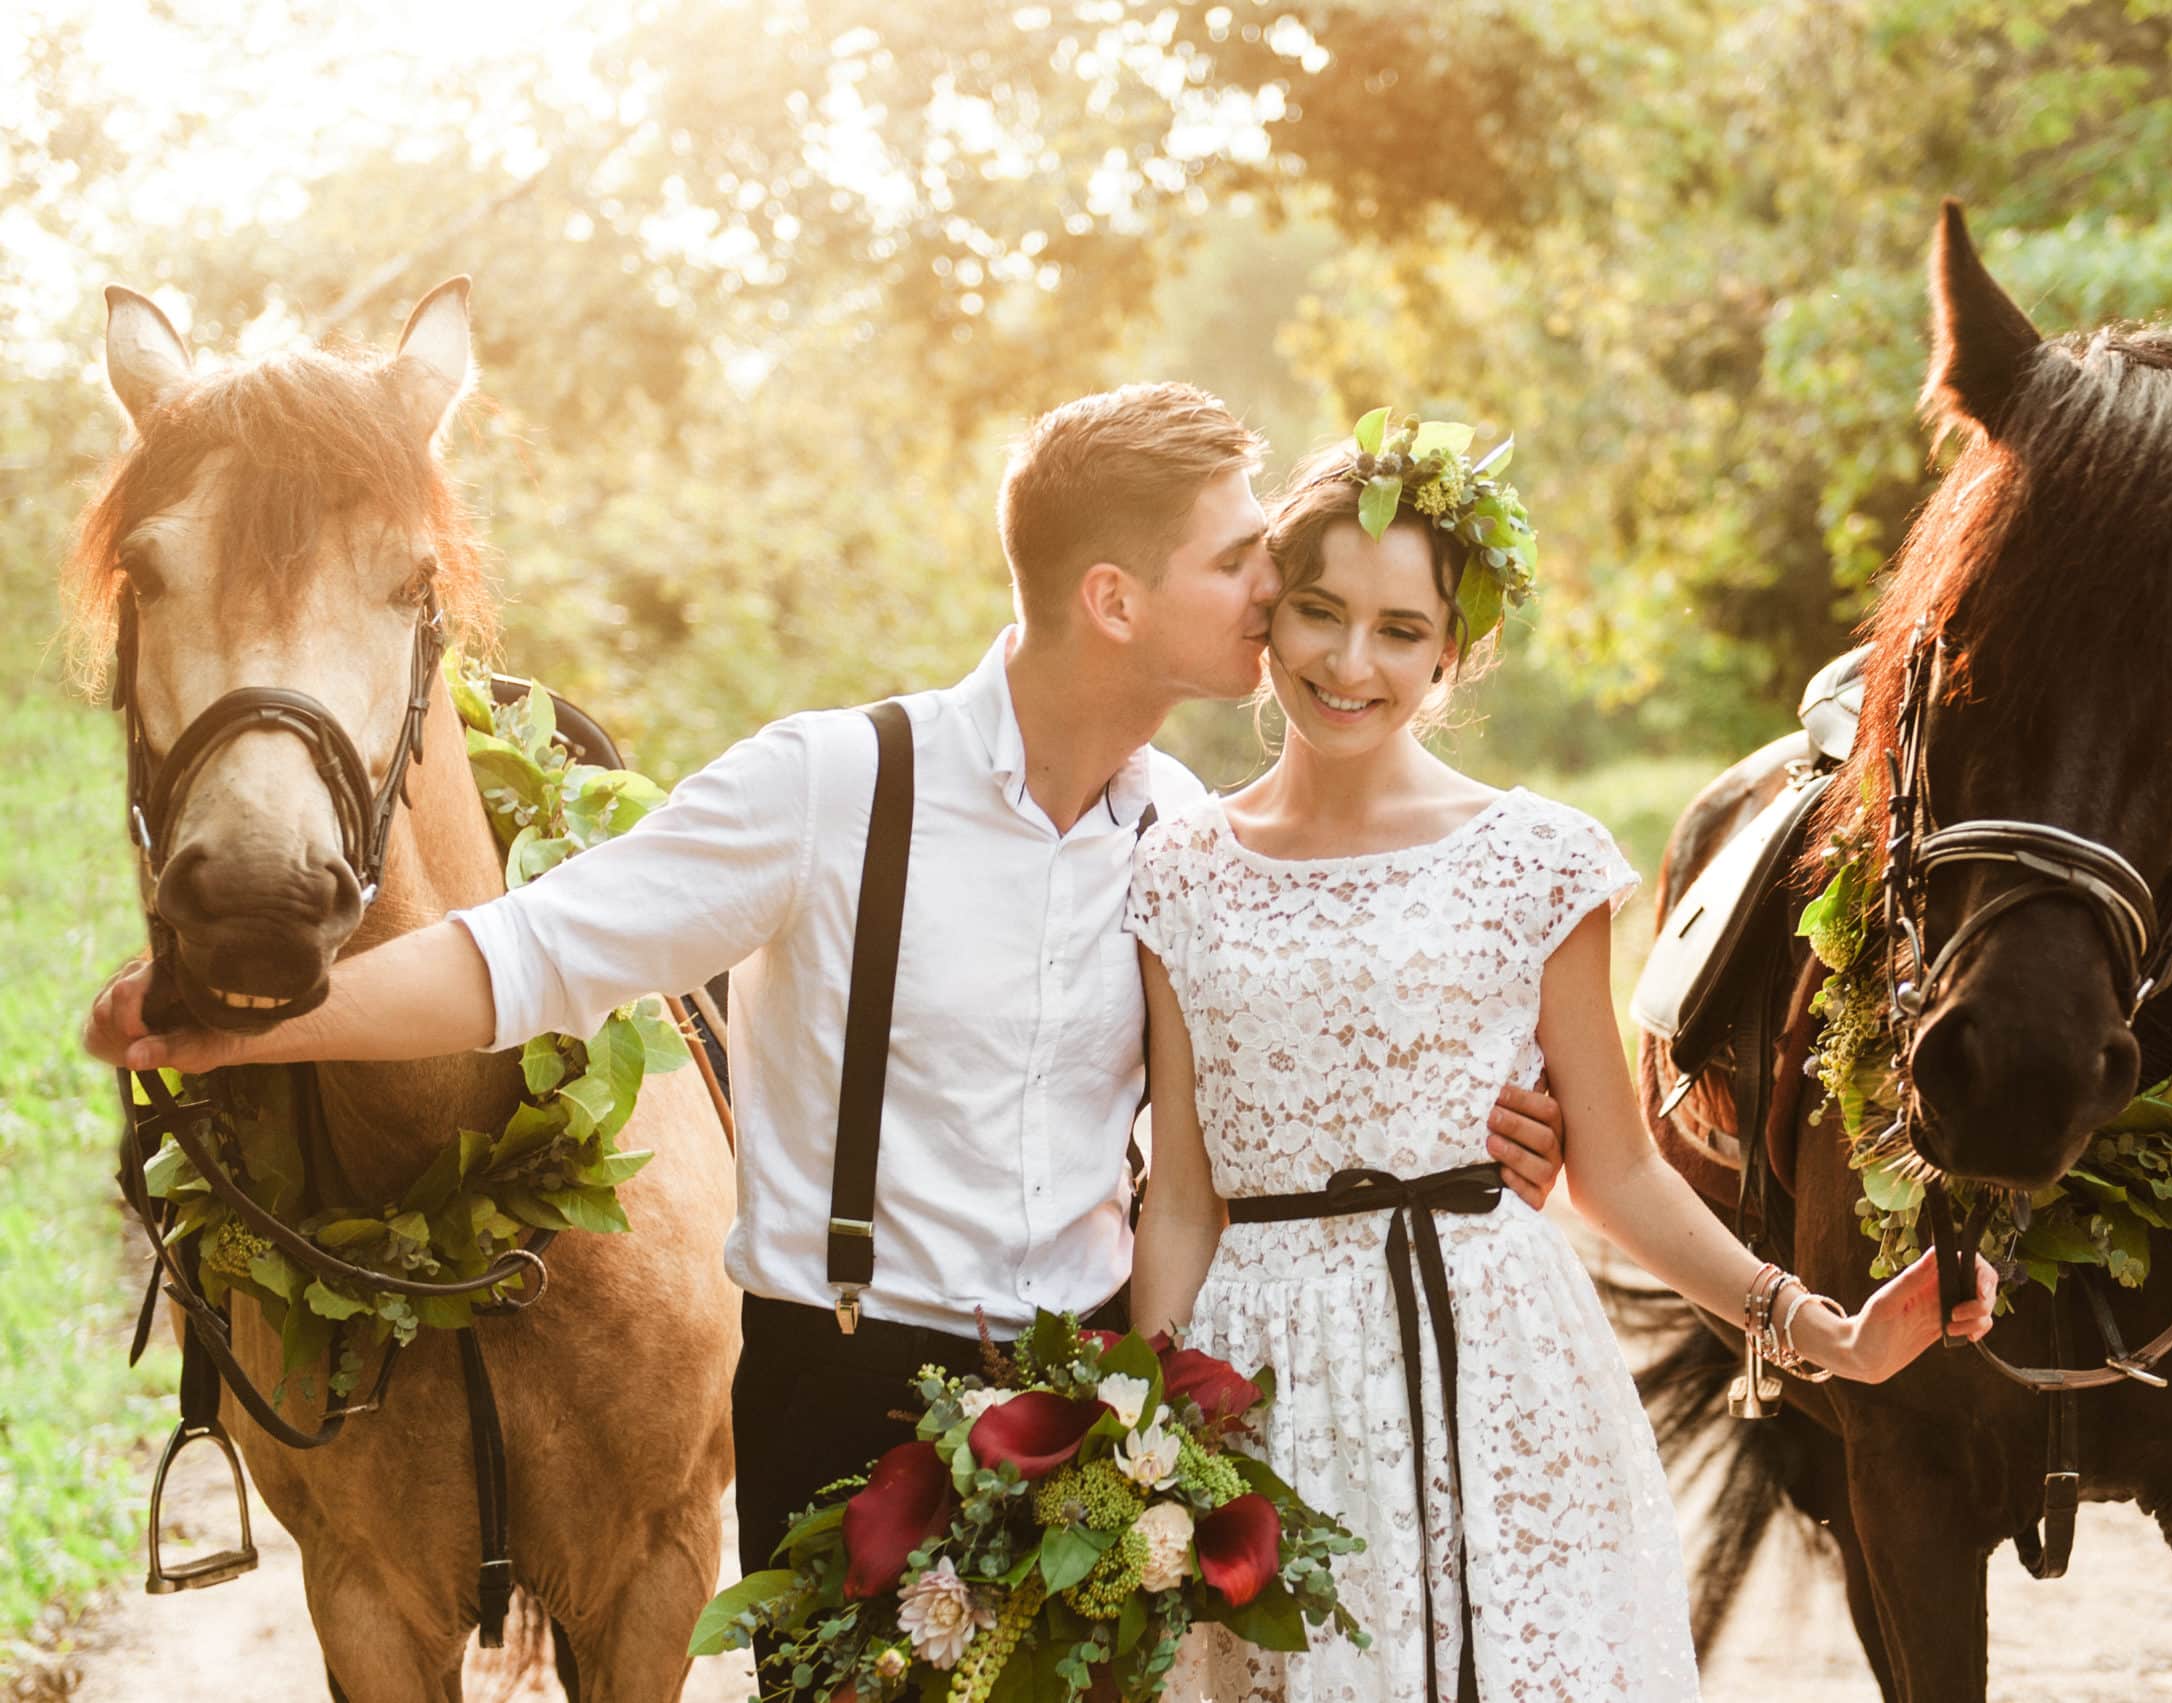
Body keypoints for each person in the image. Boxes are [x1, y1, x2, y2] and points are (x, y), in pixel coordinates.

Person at [83, 383, 1571, 1694]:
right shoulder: (830, 785)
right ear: (1114, 598)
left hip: (1097, 1400)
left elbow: (1294, 1082)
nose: (1274, 590)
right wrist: (246, 1034)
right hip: (850, 1383)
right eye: (1242, 558)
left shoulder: (1184, 835)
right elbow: (531, 956)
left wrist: (1501, 1122)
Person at [1125, 419, 1997, 1701]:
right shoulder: (1178, 869)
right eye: (1319, 612)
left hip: (1503, 1365)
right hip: (1269, 1380)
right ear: (1268, 618)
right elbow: (1183, 1194)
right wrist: (1147, 1439)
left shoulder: (1535, 860)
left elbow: (1619, 1167)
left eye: (1401, 629)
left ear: (1453, 650)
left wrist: (1822, 1331)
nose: (1350, 660)